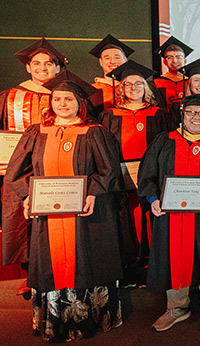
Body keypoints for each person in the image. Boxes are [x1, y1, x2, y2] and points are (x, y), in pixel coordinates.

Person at [3, 72, 124, 341]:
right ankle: (56, 318)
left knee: (87, 258)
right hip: (49, 214)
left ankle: (87, 318)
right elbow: (17, 171)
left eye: (69, 99)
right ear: (51, 102)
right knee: (51, 261)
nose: (62, 104)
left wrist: (93, 193)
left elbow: (108, 170)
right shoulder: (37, 132)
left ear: (80, 102)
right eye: (57, 99)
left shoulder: (94, 132)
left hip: (85, 212)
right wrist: (27, 196)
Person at [138, 94, 200, 333]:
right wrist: (153, 200)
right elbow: (147, 176)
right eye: (191, 112)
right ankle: (176, 307)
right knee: (173, 256)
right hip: (170, 215)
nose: (197, 117)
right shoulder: (165, 140)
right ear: (182, 114)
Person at [0, 37, 67, 297]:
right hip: (20, 171)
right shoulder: (10, 97)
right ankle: (31, 275)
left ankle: (59, 269)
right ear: (28, 67)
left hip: (57, 166)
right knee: (24, 221)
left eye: (48, 63)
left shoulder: (67, 96)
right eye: (36, 63)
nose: (42, 67)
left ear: (58, 68)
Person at [98, 60, 170, 266]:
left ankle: (154, 262)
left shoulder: (159, 114)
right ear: (121, 88)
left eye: (139, 83)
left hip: (153, 178)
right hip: (122, 180)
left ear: (146, 87)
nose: (134, 88)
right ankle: (131, 262)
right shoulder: (110, 115)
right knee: (127, 216)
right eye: (128, 84)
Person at [89, 34, 134, 110]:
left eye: (117, 57)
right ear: (100, 62)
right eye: (107, 58)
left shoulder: (137, 87)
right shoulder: (93, 89)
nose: (113, 62)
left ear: (125, 60)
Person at [153, 36, 192, 109]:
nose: (174, 61)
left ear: (185, 61)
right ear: (164, 61)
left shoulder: (191, 82)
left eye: (178, 57)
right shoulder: (156, 84)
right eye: (170, 57)